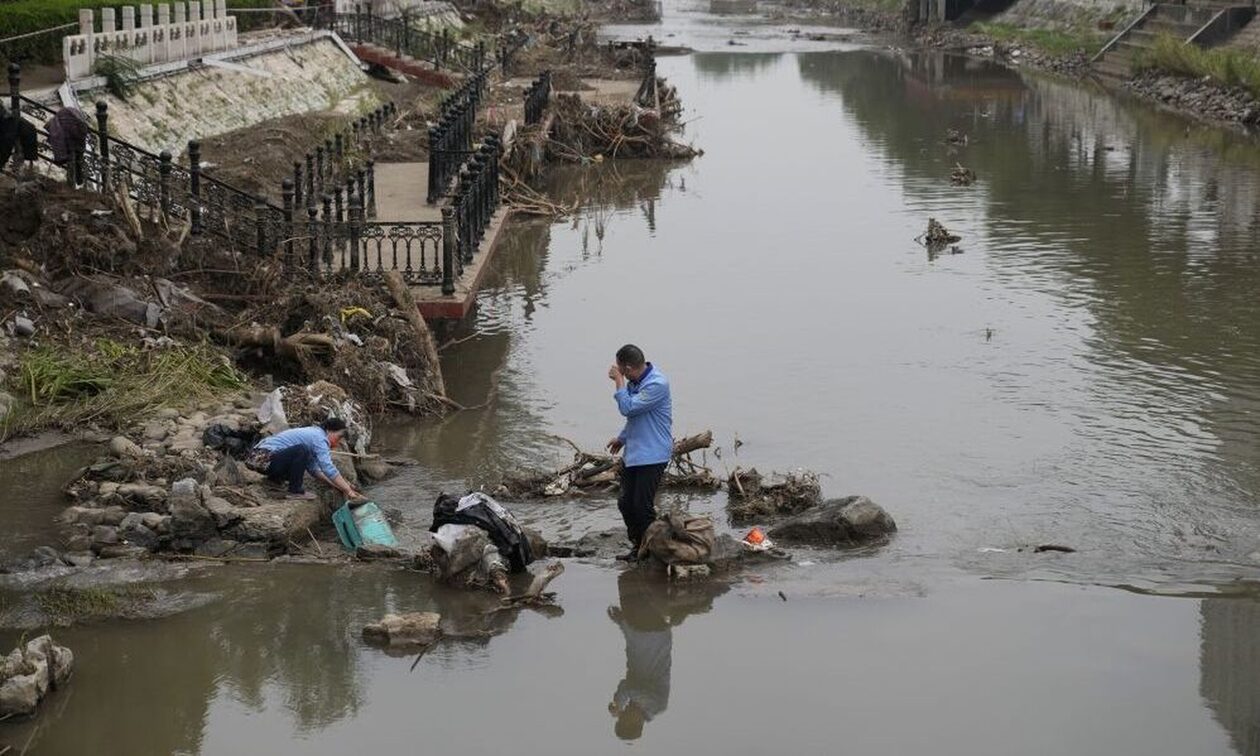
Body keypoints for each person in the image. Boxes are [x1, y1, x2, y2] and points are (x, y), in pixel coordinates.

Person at [606, 344, 672, 561]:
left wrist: (618, 382)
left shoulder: (657, 384)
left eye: (621, 370)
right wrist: (622, 439)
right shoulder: (636, 383)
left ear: (626, 368)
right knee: (625, 503)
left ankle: (651, 552)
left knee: (642, 507)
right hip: (635, 454)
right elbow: (635, 417)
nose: (619, 373)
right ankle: (638, 547)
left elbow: (628, 408)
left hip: (653, 455)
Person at [245, 418, 363, 501]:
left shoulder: (314, 436)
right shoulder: (319, 437)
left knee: (302, 452)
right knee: (301, 449)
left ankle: (274, 480)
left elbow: (315, 470)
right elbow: (328, 468)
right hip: (261, 457)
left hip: (262, 459)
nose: (338, 442)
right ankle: (295, 491)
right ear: (329, 431)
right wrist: (347, 490)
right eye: (339, 437)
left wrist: (340, 486)